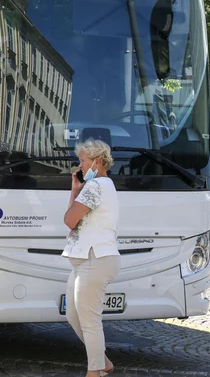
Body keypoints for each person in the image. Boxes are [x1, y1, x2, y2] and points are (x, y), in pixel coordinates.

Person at [62, 139, 120, 377]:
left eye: (83, 161)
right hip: (86, 260)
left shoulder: (96, 186)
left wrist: (77, 192)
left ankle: (94, 371)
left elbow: (68, 220)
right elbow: (72, 222)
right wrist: (76, 191)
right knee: (73, 315)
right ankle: (102, 362)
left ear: (97, 161)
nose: (80, 166)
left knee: (89, 320)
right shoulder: (99, 186)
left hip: (95, 259)